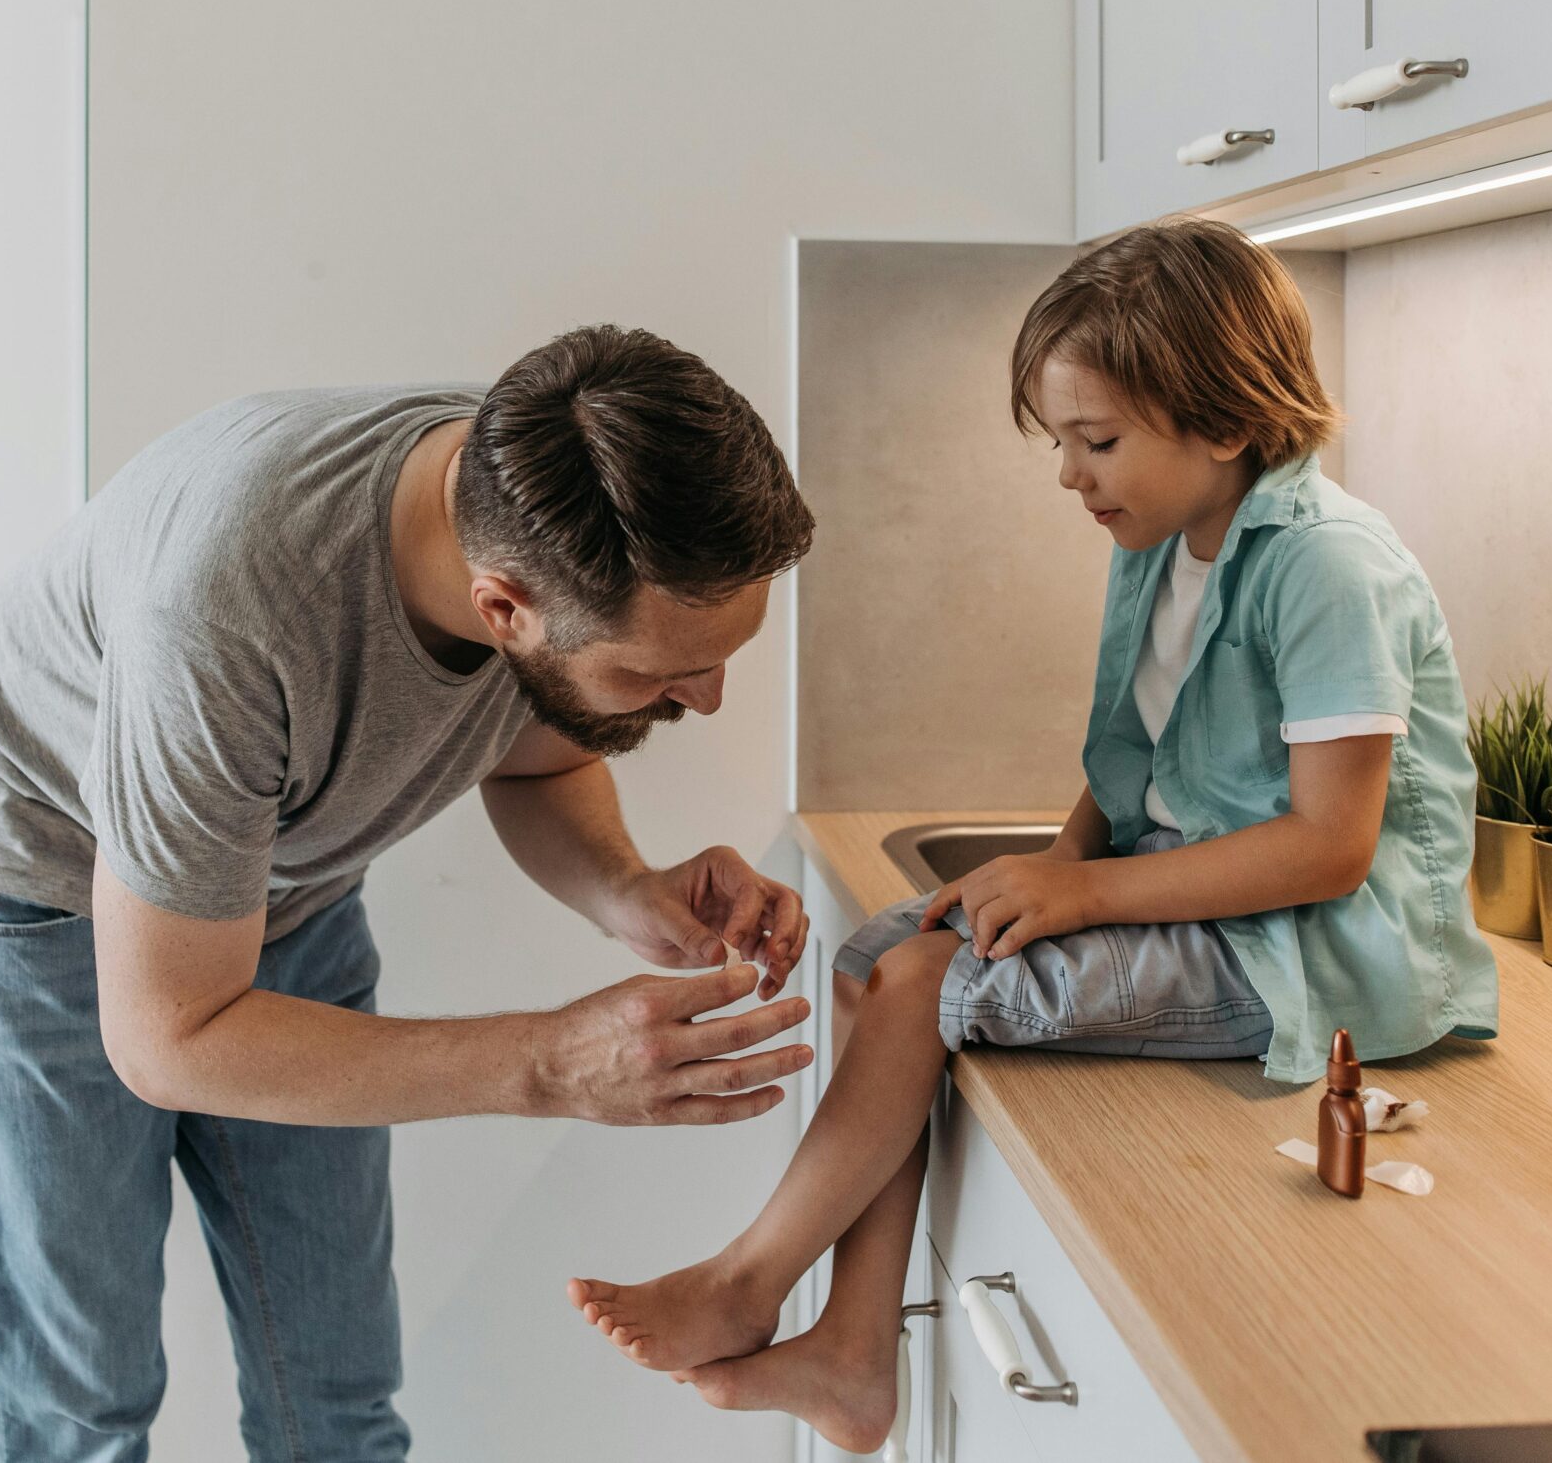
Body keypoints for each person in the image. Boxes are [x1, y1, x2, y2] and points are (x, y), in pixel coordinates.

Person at [568, 217, 1498, 1453]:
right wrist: (1065, 864)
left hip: (1310, 950)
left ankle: (750, 1285)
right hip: (1201, 903)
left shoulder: (1326, 567)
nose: (1070, 474)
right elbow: (1129, 763)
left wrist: (1089, 898)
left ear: (1222, 421)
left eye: (1096, 440)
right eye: (1061, 441)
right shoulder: (1157, 543)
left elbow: (1331, 847)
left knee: (921, 983)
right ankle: (852, 1345)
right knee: (875, 959)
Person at [0, 325, 821, 1462]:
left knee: (335, 1386)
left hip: (285, 886)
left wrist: (628, 891)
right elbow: (169, 1034)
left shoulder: (540, 497)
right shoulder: (226, 612)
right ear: (504, 610)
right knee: (81, 1398)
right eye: (656, 670)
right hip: (49, 884)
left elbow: (537, 747)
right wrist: (549, 1060)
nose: (706, 695)